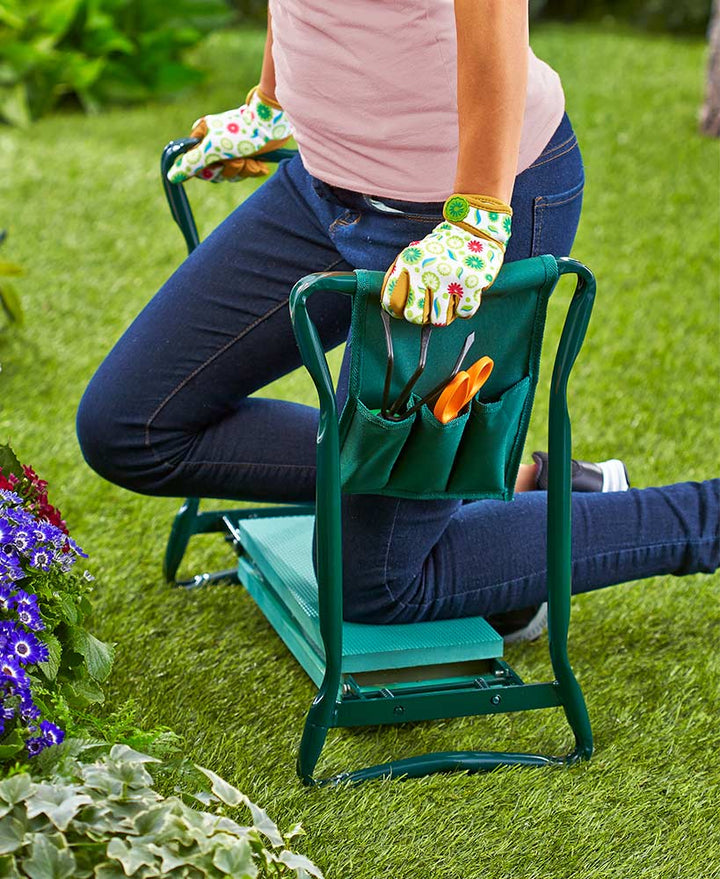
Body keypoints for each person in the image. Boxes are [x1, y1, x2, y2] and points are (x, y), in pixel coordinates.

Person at [75, 2, 719, 641]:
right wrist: (272, 100)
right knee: (131, 429)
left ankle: (705, 516)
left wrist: (478, 215)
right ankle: (522, 484)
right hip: (325, 184)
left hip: (469, 207)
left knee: (373, 583)